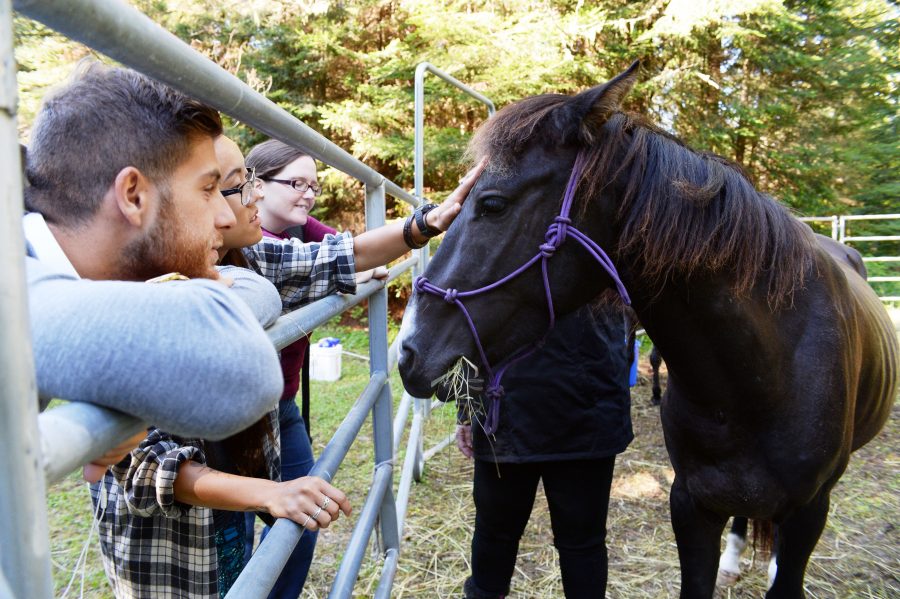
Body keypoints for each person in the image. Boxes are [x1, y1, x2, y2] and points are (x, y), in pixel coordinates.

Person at [214, 135, 483, 597]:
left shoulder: (265, 247)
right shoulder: (241, 251)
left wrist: (425, 223)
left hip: (275, 405)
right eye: (245, 184)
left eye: (313, 185)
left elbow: (343, 251)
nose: (305, 193)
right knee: (226, 543)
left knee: (286, 525)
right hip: (225, 413)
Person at [23, 61, 284, 442]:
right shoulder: (15, 293)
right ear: (133, 196)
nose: (225, 216)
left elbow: (252, 294)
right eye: (208, 190)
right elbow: (243, 371)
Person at [456, 305, 634, 599]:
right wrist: (466, 409)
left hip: (515, 402)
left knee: (496, 535)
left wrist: (465, 410)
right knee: (582, 543)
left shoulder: (493, 256)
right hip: (586, 396)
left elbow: (468, 313)